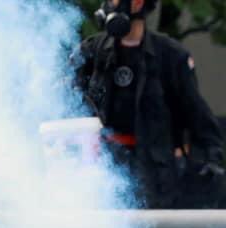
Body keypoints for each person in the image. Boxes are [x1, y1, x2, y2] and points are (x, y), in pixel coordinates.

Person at [72, 0, 224, 215]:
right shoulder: (92, 53)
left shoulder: (171, 57)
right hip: (102, 179)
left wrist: (207, 167)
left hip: (156, 181)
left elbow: (200, 121)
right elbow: (64, 106)